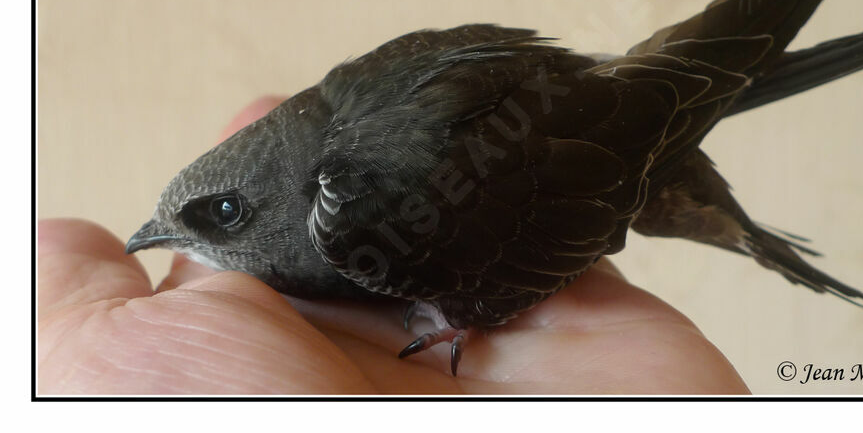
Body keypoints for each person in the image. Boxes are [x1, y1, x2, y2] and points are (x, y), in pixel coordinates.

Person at [36, 97, 749, 394]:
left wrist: (468, 304)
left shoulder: (354, 211)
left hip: (607, 137)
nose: (195, 239)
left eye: (224, 213)